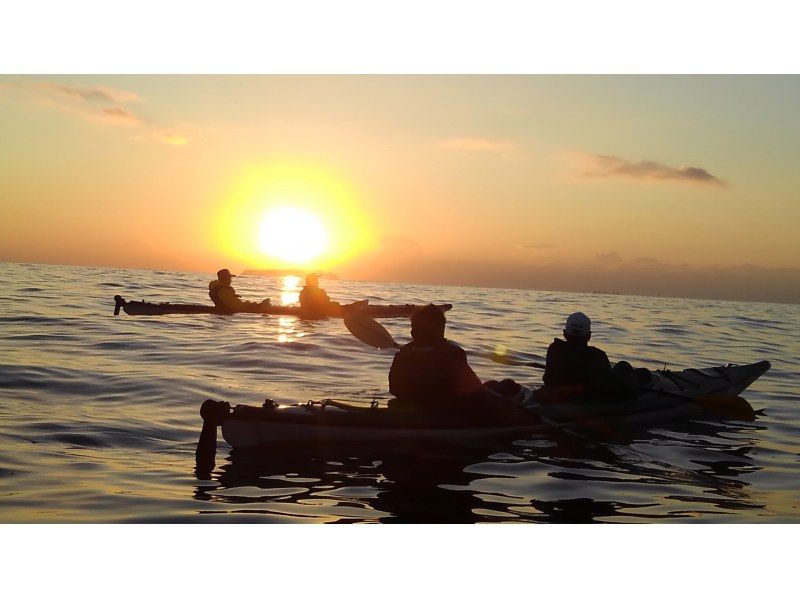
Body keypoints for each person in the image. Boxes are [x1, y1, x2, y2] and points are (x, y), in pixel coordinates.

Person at [388, 304, 523, 419]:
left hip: (412, 408)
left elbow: (394, 389)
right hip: (445, 414)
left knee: (492, 385)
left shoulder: (403, 353)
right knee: (508, 385)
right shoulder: (452, 353)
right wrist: (503, 405)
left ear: (413, 332)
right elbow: (476, 392)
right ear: (440, 330)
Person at [542, 312, 633, 400]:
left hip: (558, 395)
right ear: (589, 335)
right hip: (585, 401)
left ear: (564, 333)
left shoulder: (554, 348)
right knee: (626, 367)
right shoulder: (596, 356)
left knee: (622, 367)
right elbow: (607, 385)